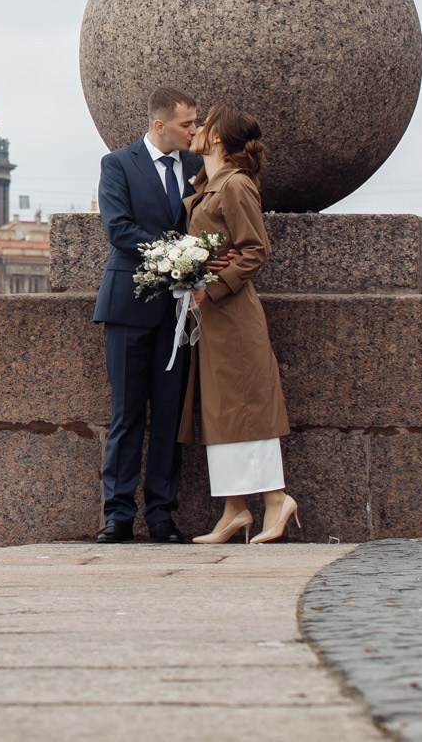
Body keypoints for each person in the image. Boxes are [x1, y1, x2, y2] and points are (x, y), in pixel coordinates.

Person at [181, 106, 297, 543]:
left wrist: (212, 285)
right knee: (221, 410)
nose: (197, 130)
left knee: (247, 407)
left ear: (217, 139)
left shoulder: (236, 186)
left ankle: (275, 499)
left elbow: (255, 249)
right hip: (214, 318)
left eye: (204, 124)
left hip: (233, 315)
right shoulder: (211, 185)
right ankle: (234, 510)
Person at [93, 86, 202, 543]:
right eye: (186, 124)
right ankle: (117, 515)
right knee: (127, 413)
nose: (194, 132)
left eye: (196, 123)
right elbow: (118, 228)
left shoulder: (198, 168)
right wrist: (176, 257)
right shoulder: (118, 164)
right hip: (129, 305)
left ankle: (161, 514)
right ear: (160, 125)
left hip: (177, 310)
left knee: (170, 414)